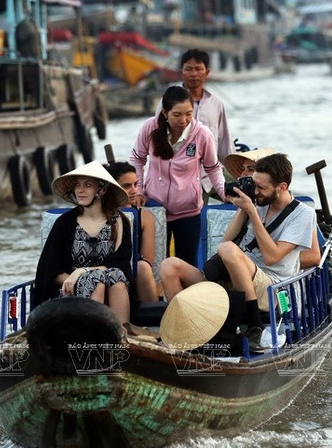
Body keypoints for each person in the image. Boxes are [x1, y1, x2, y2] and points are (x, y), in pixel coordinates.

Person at [160, 153, 316, 353]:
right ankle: (185, 329)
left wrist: (252, 212)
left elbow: (272, 256)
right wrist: (244, 209)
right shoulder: (258, 204)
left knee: (229, 251)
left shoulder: (303, 214)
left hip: (271, 288)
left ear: (282, 187)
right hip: (235, 277)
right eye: (254, 185)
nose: (256, 191)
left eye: (261, 188)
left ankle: (254, 325)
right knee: (169, 266)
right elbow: (225, 243)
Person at [131, 85, 226, 265]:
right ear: (165, 113)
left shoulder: (202, 134)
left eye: (189, 114)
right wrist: (139, 192)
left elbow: (213, 168)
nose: (184, 120)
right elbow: (137, 160)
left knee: (187, 264)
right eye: (177, 115)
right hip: (154, 208)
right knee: (156, 265)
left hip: (188, 210)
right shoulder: (150, 128)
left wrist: (223, 193)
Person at [33, 160, 133, 323]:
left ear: (102, 190)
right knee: (96, 282)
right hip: (68, 289)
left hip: (110, 285)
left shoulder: (119, 221)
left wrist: (83, 271)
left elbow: (120, 265)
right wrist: (78, 277)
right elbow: (50, 270)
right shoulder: (65, 223)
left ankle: (122, 337)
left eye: (87, 185)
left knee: (114, 277)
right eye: (77, 185)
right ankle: (92, 338)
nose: (80, 190)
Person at [158, 49, 235, 165]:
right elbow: (158, 137)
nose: (194, 74)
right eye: (189, 69)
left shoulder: (216, 103)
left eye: (198, 69)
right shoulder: (167, 101)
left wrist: (233, 167)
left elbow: (224, 140)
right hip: (177, 171)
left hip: (208, 174)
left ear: (207, 73)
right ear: (181, 73)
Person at [105, 161, 159, 304]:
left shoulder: (144, 216)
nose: (134, 190)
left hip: (136, 273)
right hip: (105, 268)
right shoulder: (102, 213)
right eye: (127, 186)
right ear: (113, 188)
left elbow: (148, 259)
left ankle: (152, 318)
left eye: (136, 184)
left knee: (142, 267)